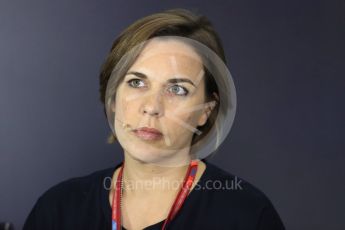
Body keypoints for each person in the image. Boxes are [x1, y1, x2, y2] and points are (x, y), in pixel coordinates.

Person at [23, 8, 285, 230]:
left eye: (177, 89)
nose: (151, 107)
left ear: (206, 110)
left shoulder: (249, 216)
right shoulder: (58, 211)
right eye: (136, 82)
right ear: (113, 97)